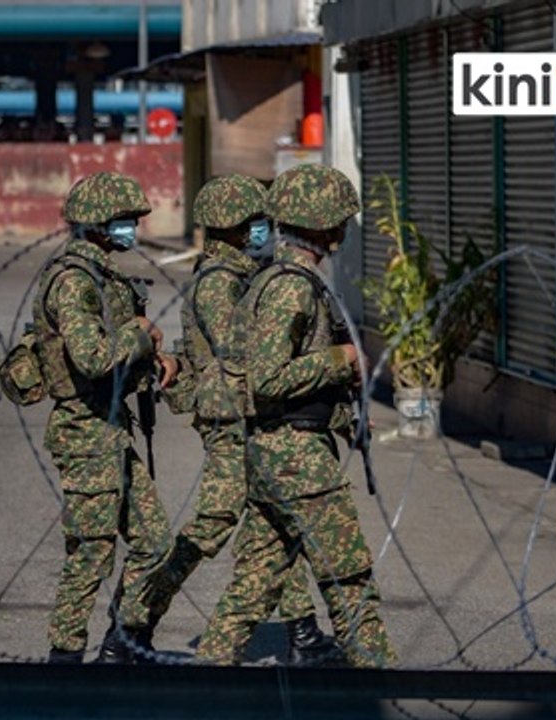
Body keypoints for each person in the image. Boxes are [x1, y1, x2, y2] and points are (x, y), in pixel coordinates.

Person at [195, 164, 396, 668]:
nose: (347, 229)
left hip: (276, 453)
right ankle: (381, 686)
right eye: (342, 220)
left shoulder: (279, 277)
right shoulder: (291, 286)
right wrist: (343, 360)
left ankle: (204, 683)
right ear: (324, 223)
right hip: (295, 457)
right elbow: (267, 377)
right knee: (348, 578)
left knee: (254, 582)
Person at [142, 174, 335, 665]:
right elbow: (247, 359)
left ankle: (303, 633)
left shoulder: (244, 275)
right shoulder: (218, 285)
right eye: (254, 222)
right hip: (231, 424)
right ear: (230, 228)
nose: (263, 230)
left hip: (245, 419)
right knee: (212, 525)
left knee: (275, 524)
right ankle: (136, 615)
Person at [37, 172, 178, 664]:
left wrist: (151, 358)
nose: (132, 229)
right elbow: (93, 358)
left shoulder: (103, 275)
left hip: (112, 429)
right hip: (86, 432)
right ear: (98, 224)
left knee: (154, 542)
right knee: (92, 553)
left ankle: (124, 642)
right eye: (125, 221)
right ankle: (66, 657)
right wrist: (139, 333)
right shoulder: (74, 282)